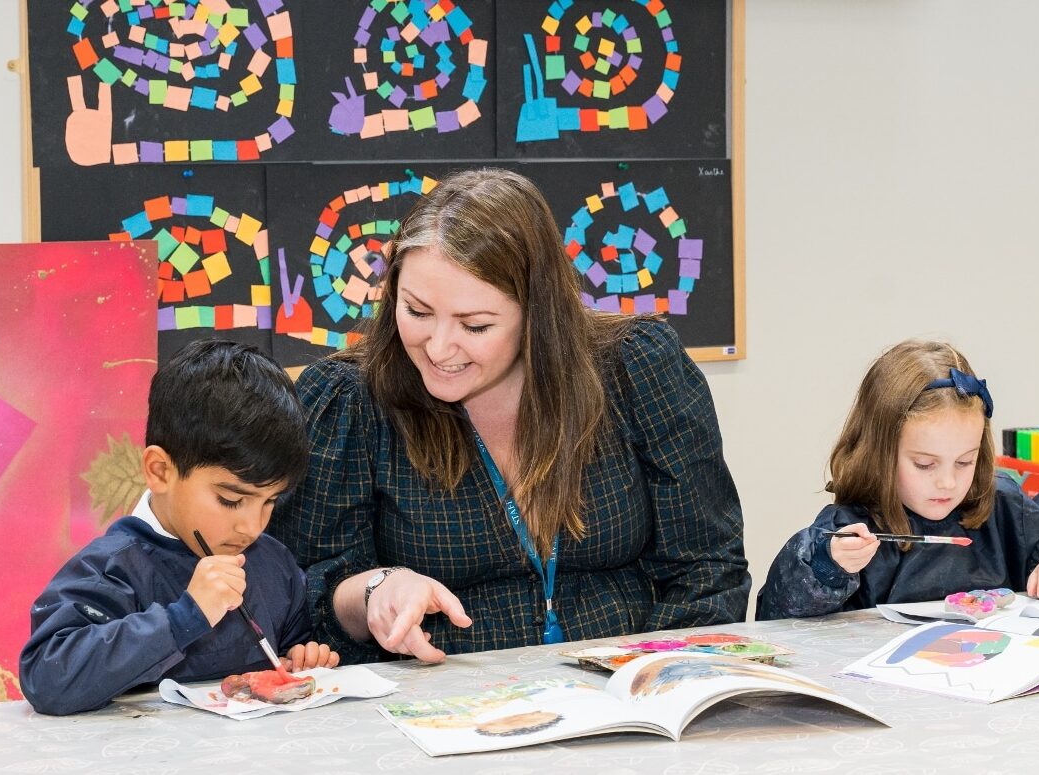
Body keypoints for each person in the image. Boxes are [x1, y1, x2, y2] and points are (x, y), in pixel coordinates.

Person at [269, 168, 750, 664]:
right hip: (437, 710)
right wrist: (376, 590)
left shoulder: (639, 369)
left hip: (630, 695)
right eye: (416, 311)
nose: (437, 347)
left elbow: (707, 569)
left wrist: (658, 678)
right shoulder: (348, 401)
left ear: (538, 313)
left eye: (475, 325)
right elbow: (302, 593)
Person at [19, 340, 339, 715]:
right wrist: (184, 617)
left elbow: (291, 644)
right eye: (230, 500)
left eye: (270, 501)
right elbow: (47, 678)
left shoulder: (273, 564)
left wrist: (299, 658)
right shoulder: (112, 569)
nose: (252, 525)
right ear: (160, 471)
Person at [756, 340, 1039, 620]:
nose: (948, 483)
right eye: (924, 465)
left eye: (965, 461)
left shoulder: (1000, 503)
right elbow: (778, 616)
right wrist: (827, 568)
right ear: (880, 455)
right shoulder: (849, 529)